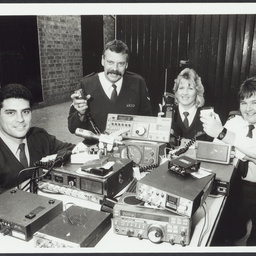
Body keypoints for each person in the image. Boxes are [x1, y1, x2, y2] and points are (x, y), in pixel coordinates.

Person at [200, 76, 256, 246]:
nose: (249, 109)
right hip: (238, 187)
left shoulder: (229, 129)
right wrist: (240, 152)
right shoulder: (235, 122)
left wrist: (224, 134)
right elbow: (216, 149)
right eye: (244, 103)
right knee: (226, 233)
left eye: (254, 102)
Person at [0, 83, 84, 192]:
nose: (20, 119)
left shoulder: (39, 136)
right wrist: (31, 183)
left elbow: (74, 150)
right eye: (11, 113)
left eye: (25, 112)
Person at [68, 39, 152, 141]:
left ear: (126, 64)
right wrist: (80, 113)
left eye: (120, 64)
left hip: (128, 147)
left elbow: (147, 121)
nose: (115, 69)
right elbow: (72, 128)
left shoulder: (138, 83)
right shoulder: (86, 85)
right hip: (95, 147)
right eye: (110, 62)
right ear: (102, 61)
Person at [171, 68, 211, 144]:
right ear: (176, 91)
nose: (185, 93)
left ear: (197, 92)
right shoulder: (169, 114)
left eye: (190, 88)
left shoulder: (207, 116)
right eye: (181, 88)